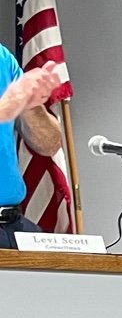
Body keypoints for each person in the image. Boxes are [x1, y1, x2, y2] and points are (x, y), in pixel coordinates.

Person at [0, 48, 65, 248]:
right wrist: (6, 106)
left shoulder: (3, 57)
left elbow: (49, 144)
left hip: (12, 223)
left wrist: (29, 106)